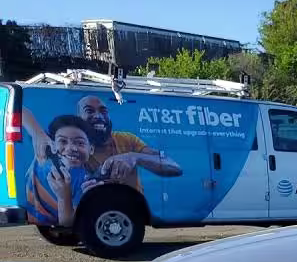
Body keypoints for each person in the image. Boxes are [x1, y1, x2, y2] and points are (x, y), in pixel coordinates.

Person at [22, 93, 182, 197]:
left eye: (103, 111)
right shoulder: (66, 145)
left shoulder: (127, 140)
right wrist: (37, 132)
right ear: (78, 117)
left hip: (130, 207)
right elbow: (21, 110)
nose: (98, 116)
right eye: (89, 111)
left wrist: (134, 157)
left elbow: (174, 167)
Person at [23, 115, 99, 227]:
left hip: (49, 223)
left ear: (91, 149)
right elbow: (22, 112)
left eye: (80, 143)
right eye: (63, 141)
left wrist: (64, 197)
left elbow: (67, 223)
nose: (71, 148)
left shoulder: (86, 182)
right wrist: (37, 133)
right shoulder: (43, 152)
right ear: (52, 143)